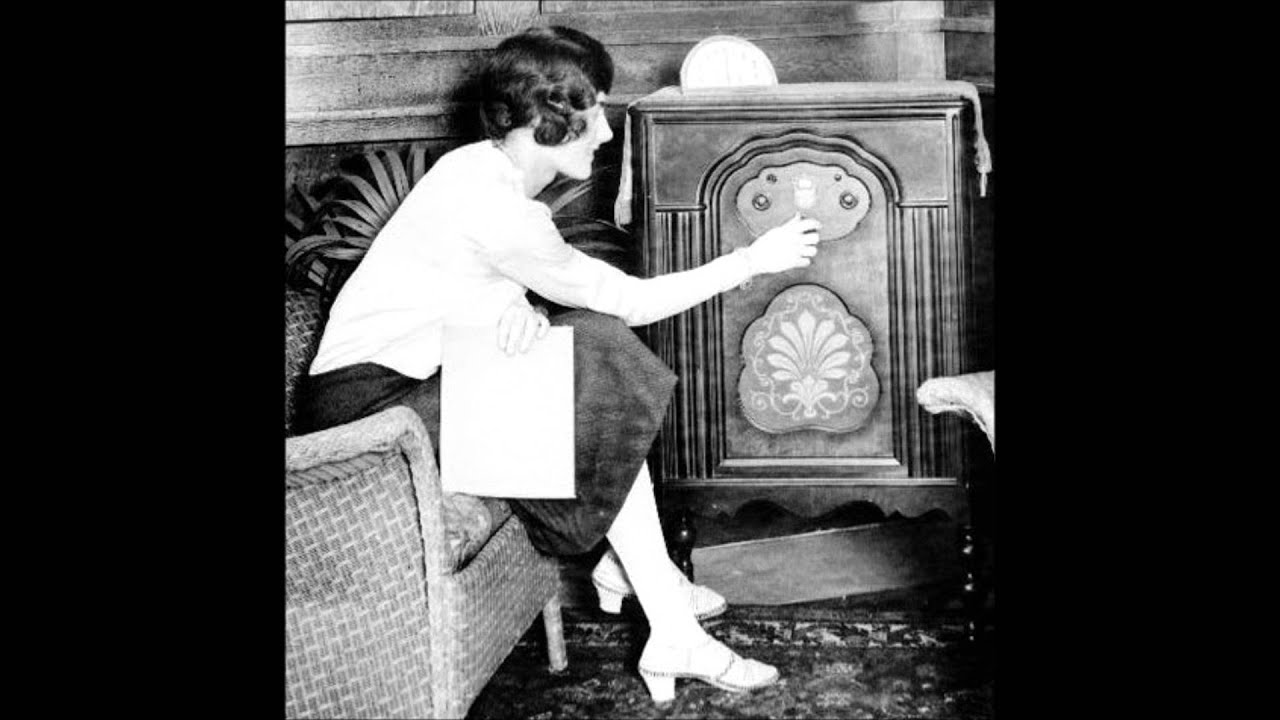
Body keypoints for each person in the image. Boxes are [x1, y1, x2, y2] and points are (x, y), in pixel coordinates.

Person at [297, 25, 822, 705]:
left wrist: (516, 313)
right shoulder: (503, 211)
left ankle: (640, 580)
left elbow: (453, 289)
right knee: (598, 348)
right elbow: (631, 301)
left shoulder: (473, 167)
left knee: (589, 348)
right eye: (593, 113)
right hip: (368, 422)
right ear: (546, 122)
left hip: (410, 386)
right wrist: (751, 261)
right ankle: (664, 616)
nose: (604, 132)